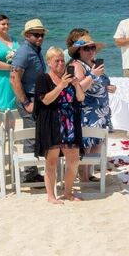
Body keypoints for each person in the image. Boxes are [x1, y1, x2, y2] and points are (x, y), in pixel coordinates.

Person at [34, 47, 84, 204]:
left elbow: (81, 98)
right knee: (51, 162)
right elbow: (46, 100)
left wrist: (76, 85)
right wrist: (61, 86)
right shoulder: (43, 79)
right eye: (57, 60)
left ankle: (68, 193)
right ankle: (51, 196)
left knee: (74, 160)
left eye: (63, 60)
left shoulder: (69, 78)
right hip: (51, 123)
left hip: (70, 123)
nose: (61, 63)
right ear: (49, 62)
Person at [69, 37, 115, 182]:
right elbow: (79, 87)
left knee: (97, 142)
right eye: (86, 49)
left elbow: (99, 83)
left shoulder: (94, 64)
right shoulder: (77, 65)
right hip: (87, 111)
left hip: (100, 111)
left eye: (92, 48)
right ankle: (83, 175)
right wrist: (93, 75)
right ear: (79, 51)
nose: (90, 51)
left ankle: (88, 173)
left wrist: (109, 87)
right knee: (87, 144)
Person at [10, 18, 48, 183]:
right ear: (27, 35)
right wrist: (25, 102)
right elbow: (14, 78)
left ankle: (31, 171)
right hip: (28, 98)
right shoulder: (25, 51)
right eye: (36, 35)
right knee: (31, 135)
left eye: (41, 35)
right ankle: (28, 174)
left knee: (35, 134)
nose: (39, 38)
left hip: (35, 98)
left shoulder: (36, 50)